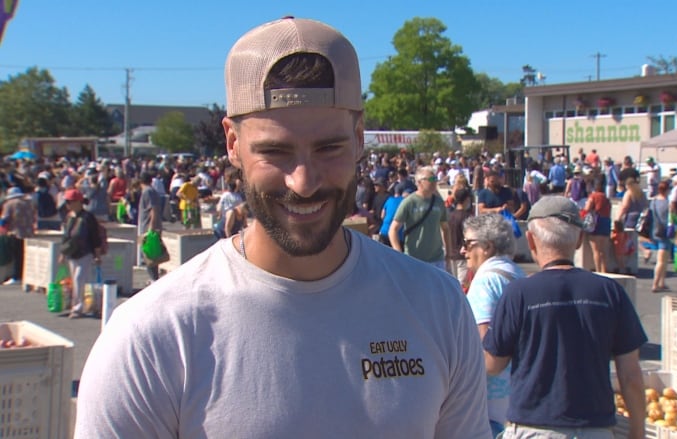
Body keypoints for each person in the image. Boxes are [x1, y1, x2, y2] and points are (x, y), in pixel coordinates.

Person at [75, 17, 489, 438]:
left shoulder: (438, 307)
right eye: (275, 151)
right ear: (233, 144)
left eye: (329, 148)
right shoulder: (152, 337)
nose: (303, 181)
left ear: (360, 136)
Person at [482, 196, 647, 439]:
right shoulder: (609, 292)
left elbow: (493, 364)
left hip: (534, 427)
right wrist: (638, 430)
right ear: (580, 240)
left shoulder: (519, 293)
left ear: (531, 239)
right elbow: (631, 374)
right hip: (596, 428)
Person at [461, 213, 525, 437]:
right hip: (517, 385)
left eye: (468, 244)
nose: (463, 251)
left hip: (491, 395)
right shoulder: (517, 273)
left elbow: (485, 345)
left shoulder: (486, 280)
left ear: (487, 247)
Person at [389, 166, 450, 269]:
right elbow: (393, 230)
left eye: (435, 178)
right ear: (419, 182)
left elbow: (445, 228)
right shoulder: (409, 202)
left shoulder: (439, 202)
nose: (434, 182)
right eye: (431, 179)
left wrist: (448, 251)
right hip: (414, 258)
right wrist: (399, 253)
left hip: (437, 258)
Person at [58, 189, 102, 318]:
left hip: (85, 252)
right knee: (77, 280)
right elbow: (65, 237)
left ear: (78, 202)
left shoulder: (88, 217)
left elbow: (95, 237)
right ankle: (78, 304)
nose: (67, 204)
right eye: (67, 202)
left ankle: (77, 307)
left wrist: (97, 255)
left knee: (78, 279)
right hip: (72, 253)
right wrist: (62, 253)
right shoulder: (68, 217)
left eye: (70, 202)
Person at [0, 187, 34, 285]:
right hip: (28, 232)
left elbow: (4, 219)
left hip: (15, 232)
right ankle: (24, 276)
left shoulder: (9, 204)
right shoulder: (28, 203)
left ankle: (16, 276)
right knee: (25, 255)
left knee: (16, 256)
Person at [136, 172, 163, 281]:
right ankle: (153, 278)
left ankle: (154, 279)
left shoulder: (148, 192)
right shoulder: (151, 191)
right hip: (149, 225)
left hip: (148, 226)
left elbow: (154, 209)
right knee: (152, 254)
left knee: (149, 254)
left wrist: (151, 226)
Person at [582, 179, 612, 273]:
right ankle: (604, 270)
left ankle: (598, 270)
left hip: (597, 221)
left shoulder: (593, 196)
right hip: (606, 221)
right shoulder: (606, 198)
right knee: (603, 250)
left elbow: (587, 209)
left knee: (596, 250)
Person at [446, 187, 473, 288]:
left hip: (451, 254)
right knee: (462, 286)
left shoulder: (449, 215)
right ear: (466, 199)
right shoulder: (468, 217)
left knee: (452, 284)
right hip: (463, 255)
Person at [649, 181, 672, 292]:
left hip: (654, 231)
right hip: (665, 232)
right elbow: (672, 218)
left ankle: (662, 282)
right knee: (661, 261)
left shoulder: (653, 202)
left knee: (664, 258)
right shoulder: (668, 203)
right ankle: (655, 284)